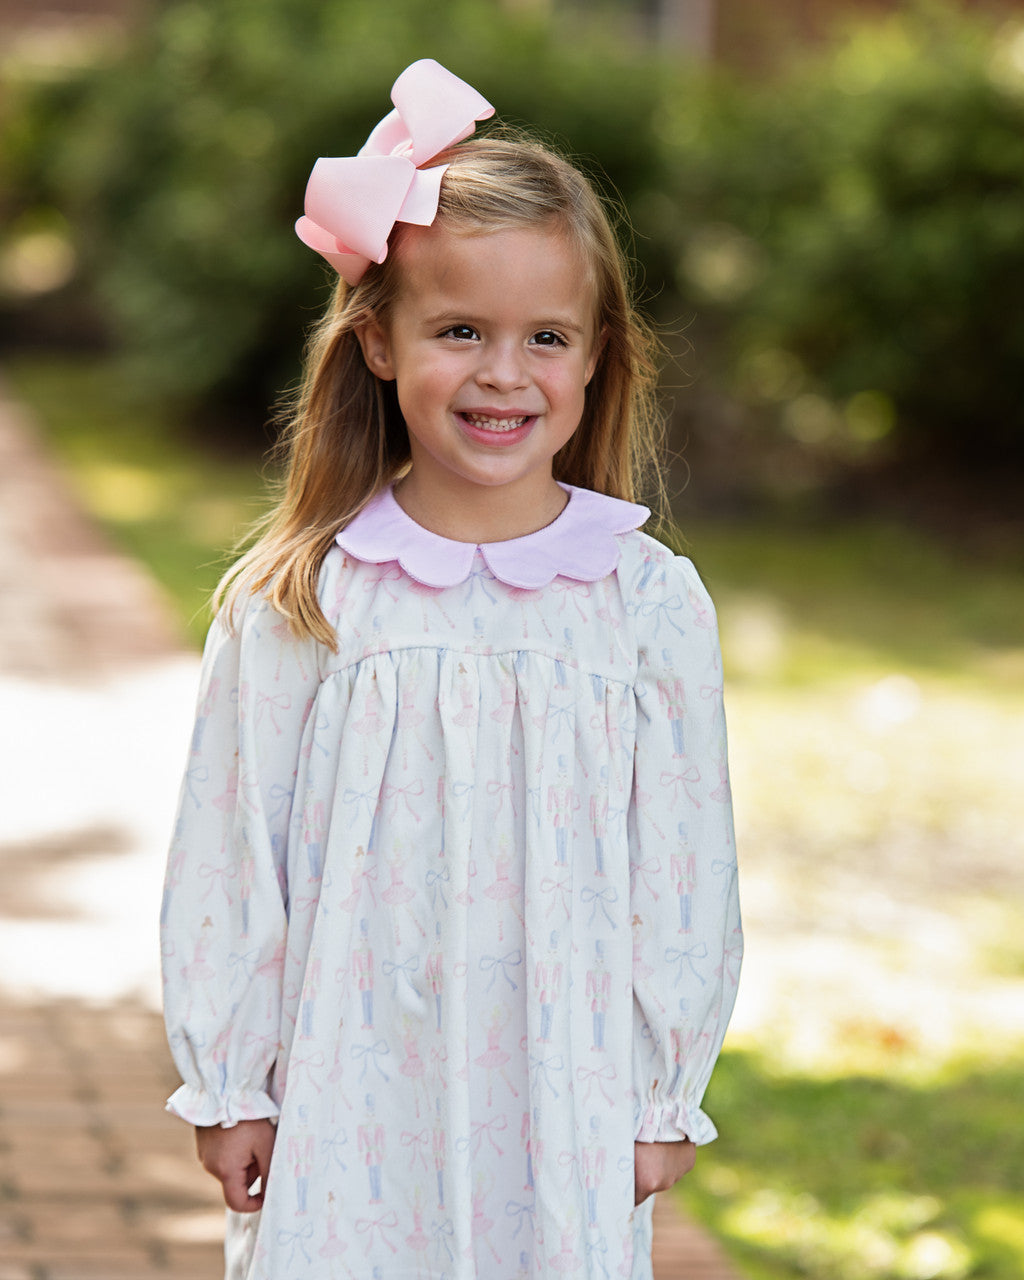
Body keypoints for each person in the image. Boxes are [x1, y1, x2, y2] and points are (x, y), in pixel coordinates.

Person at [160, 57, 742, 1280]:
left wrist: (656, 1087)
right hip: (349, 1083)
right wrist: (230, 1078)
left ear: (592, 359)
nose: (501, 372)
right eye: (459, 329)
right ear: (377, 341)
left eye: (545, 336)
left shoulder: (644, 605)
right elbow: (231, 847)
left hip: (563, 1090)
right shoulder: (306, 599)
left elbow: (682, 861)